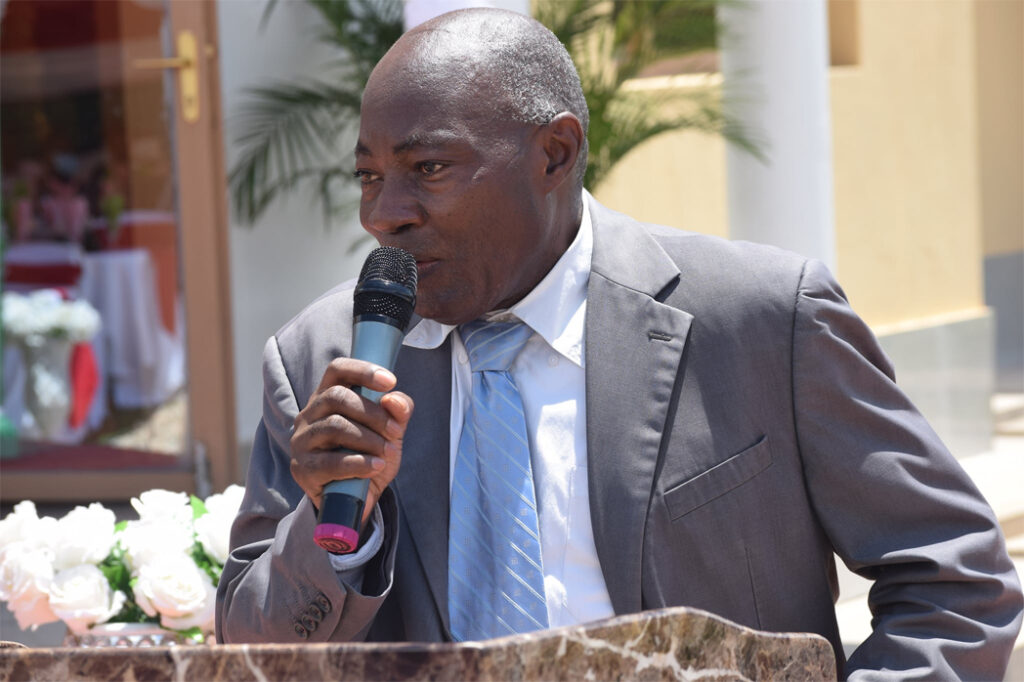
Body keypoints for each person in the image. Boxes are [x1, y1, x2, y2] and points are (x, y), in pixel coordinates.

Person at [216, 8, 1022, 678]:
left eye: (427, 168)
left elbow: (955, 579)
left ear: (554, 153)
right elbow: (255, 651)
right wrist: (333, 526)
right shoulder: (322, 361)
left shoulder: (761, 319)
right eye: (368, 176)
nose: (382, 214)